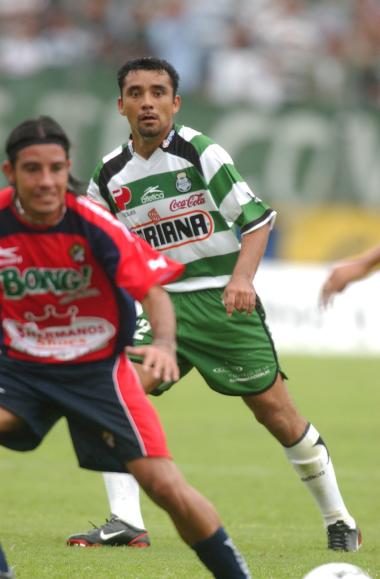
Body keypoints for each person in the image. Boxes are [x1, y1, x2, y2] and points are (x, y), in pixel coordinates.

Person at [67, 57, 361, 553]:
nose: (147, 102)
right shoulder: (110, 175)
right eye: (136, 93)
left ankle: (339, 518)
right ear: (121, 105)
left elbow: (258, 219)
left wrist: (242, 278)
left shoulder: (202, 153)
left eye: (158, 92)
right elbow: (96, 242)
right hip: (159, 307)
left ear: (175, 103)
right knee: (112, 397)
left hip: (223, 306)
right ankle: (126, 521)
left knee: (276, 415)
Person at [0, 115, 253, 579]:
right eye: (32, 169)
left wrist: (163, 342)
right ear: (10, 173)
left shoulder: (93, 224)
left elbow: (154, 291)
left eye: (56, 168)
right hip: (21, 371)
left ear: (67, 167)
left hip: (97, 373)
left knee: (165, 487)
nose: (46, 180)